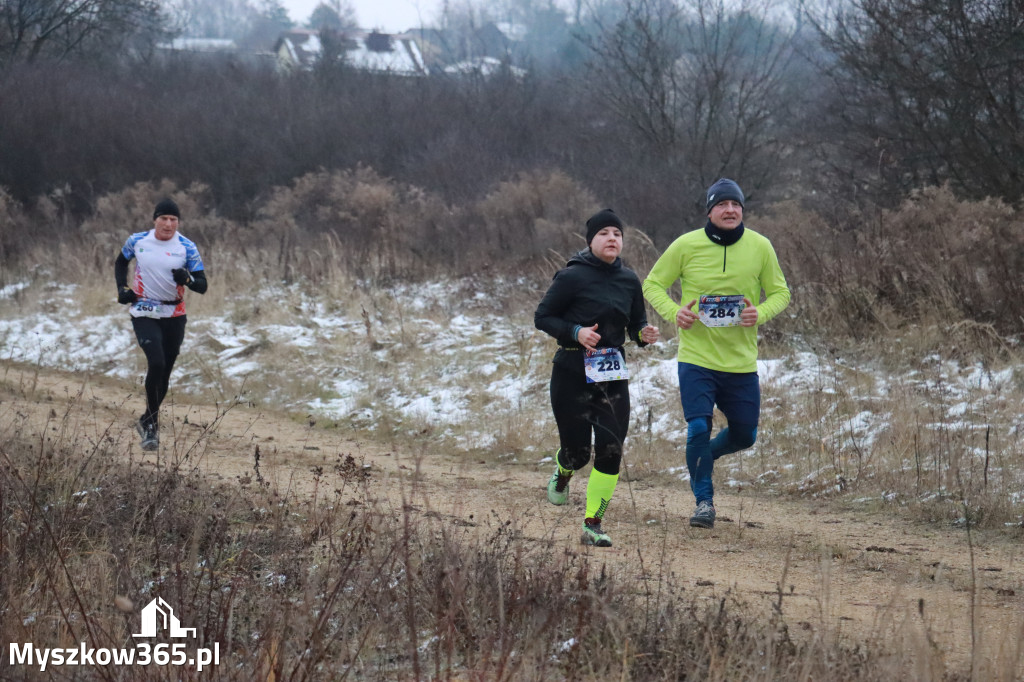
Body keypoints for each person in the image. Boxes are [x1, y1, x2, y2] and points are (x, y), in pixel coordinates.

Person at [642, 179, 790, 529]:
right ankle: (704, 502)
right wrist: (674, 312)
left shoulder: (760, 246)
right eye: (722, 204)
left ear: (742, 210)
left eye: (735, 205)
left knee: (745, 436)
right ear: (709, 210)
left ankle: (702, 459)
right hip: (696, 359)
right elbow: (652, 284)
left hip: (740, 363)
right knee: (697, 428)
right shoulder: (686, 245)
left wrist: (761, 313)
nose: (730, 210)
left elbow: (781, 292)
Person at [535, 209, 659, 547]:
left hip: (612, 374)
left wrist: (643, 334)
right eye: (604, 233)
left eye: (617, 234)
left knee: (610, 448)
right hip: (572, 372)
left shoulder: (630, 280)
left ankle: (593, 522)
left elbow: (634, 325)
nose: (612, 239)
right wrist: (575, 332)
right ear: (591, 240)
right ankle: (564, 471)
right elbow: (543, 317)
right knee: (578, 454)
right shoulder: (571, 277)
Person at [114, 198, 207, 451]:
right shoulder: (138, 241)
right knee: (155, 361)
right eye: (164, 218)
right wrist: (122, 288)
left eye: (173, 219)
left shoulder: (187, 247)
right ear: (155, 219)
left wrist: (187, 279)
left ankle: (146, 418)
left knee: (164, 370)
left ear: (178, 222)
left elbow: (202, 286)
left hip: (174, 314)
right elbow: (121, 262)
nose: (168, 224)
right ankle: (152, 426)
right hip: (144, 309)